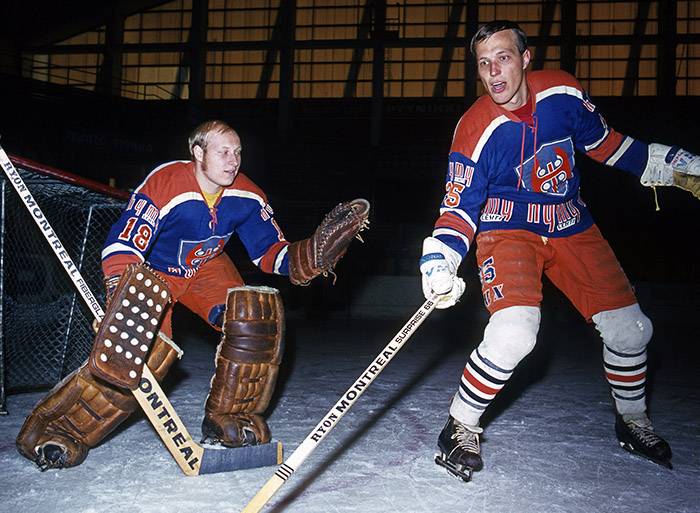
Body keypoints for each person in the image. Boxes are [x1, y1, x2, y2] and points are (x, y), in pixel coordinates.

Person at [419, 21, 699, 481]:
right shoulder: (474, 128)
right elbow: (458, 208)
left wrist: (666, 164)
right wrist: (440, 259)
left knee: (632, 332)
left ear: (526, 58)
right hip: (507, 230)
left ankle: (632, 421)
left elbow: (607, 145)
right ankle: (459, 426)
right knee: (514, 333)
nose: (494, 72)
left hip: (570, 223)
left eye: (503, 58)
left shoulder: (564, 92)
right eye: (484, 64)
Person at [16, 120, 369, 469]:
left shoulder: (247, 195)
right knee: (135, 351)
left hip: (205, 268)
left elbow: (269, 253)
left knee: (253, 320)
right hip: (153, 272)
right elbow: (123, 243)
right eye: (223, 152)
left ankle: (228, 418)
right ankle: (58, 431)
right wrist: (122, 295)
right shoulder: (167, 182)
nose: (233, 160)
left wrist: (308, 257)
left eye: (237, 152)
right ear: (198, 153)